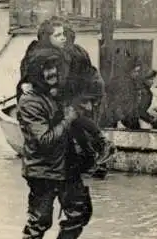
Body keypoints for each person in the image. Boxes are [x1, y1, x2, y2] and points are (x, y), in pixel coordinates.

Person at [16, 47, 93, 239]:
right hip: (43, 170)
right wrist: (67, 119)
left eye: (54, 68)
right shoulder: (30, 102)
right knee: (40, 221)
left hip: (67, 166)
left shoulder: (55, 92)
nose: (53, 73)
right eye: (46, 69)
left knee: (81, 212)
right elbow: (45, 140)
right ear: (36, 73)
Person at [17, 18, 116, 170]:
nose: (63, 39)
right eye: (58, 35)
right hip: (53, 98)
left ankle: (94, 151)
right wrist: (24, 83)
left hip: (73, 95)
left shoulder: (71, 53)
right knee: (68, 123)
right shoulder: (38, 52)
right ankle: (93, 153)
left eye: (63, 35)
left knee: (71, 119)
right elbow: (28, 72)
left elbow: (77, 78)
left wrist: (79, 97)